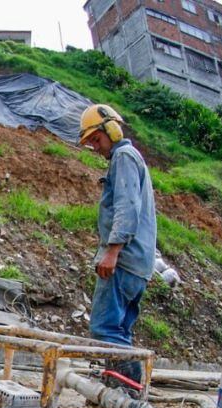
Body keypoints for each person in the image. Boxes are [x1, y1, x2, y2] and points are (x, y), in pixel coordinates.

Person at [79, 104, 157, 384]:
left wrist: (112, 252)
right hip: (139, 263)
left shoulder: (123, 156)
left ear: (111, 129)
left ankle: (125, 393)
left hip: (123, 261)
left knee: (105, 328)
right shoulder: (133, 158)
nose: (96, 148)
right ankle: (125, 390)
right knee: (121, 331)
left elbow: (126, 206)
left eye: (96, 140)